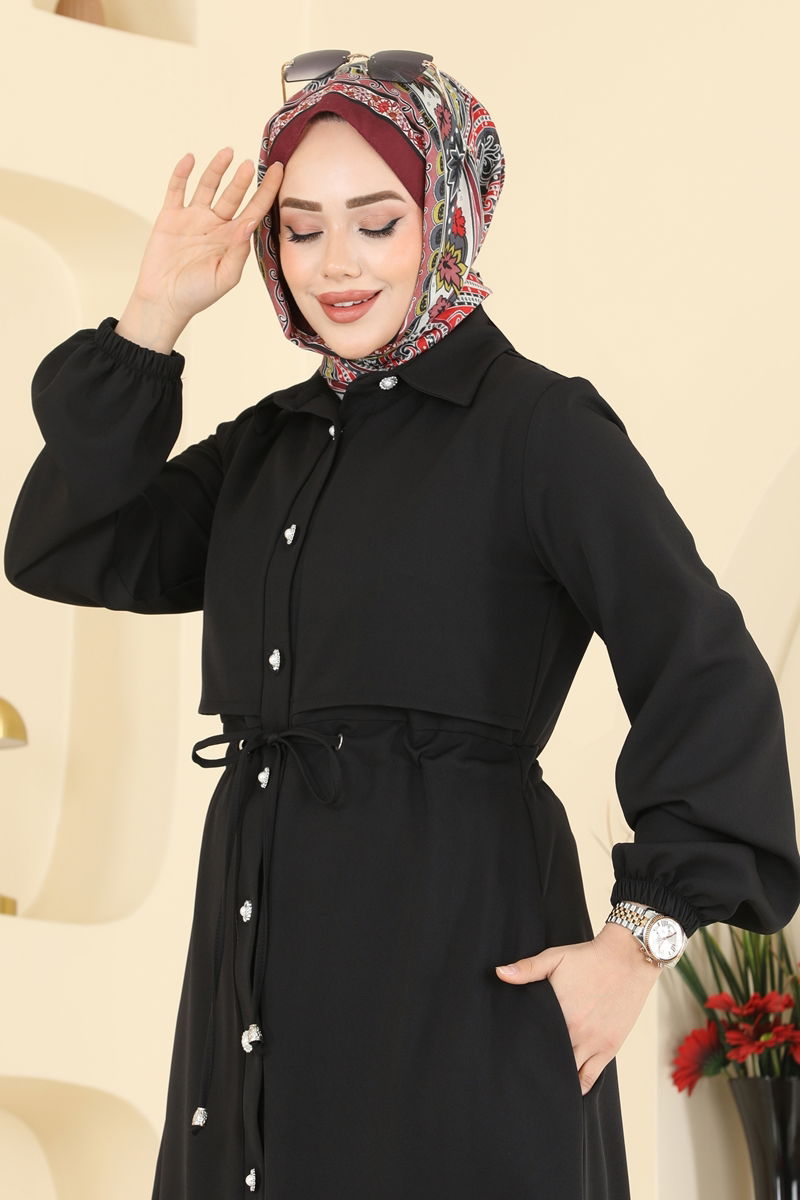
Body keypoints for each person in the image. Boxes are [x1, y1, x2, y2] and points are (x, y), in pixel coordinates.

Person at [4, 50, 799, 1200]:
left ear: (448, 217)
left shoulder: (538, 430)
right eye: (301, 229)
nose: (335, 264)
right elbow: (67, 545)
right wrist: (154, 314)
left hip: (459, 983)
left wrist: (638, 944)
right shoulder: (270, 446)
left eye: (376, 223)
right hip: (259, 984)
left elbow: (703, 669)